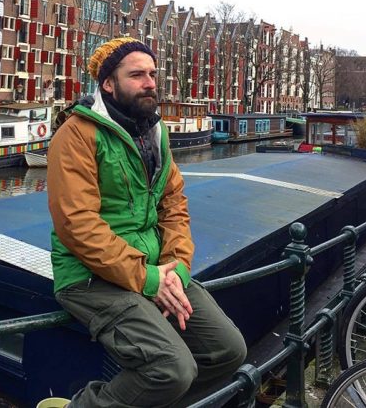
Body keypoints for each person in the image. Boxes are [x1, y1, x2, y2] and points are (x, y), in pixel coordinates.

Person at [45, 37, 246, 408]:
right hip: (90, 276)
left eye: (152, 73)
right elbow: (77, 224)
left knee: (228, 351)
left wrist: (179, 269)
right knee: (171, 368)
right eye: (136, 75)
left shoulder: (155, 132)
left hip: (155, 268)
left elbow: (174, 205)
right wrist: (149, 279)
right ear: (108, 83)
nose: (150, 82)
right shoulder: (76, 134)